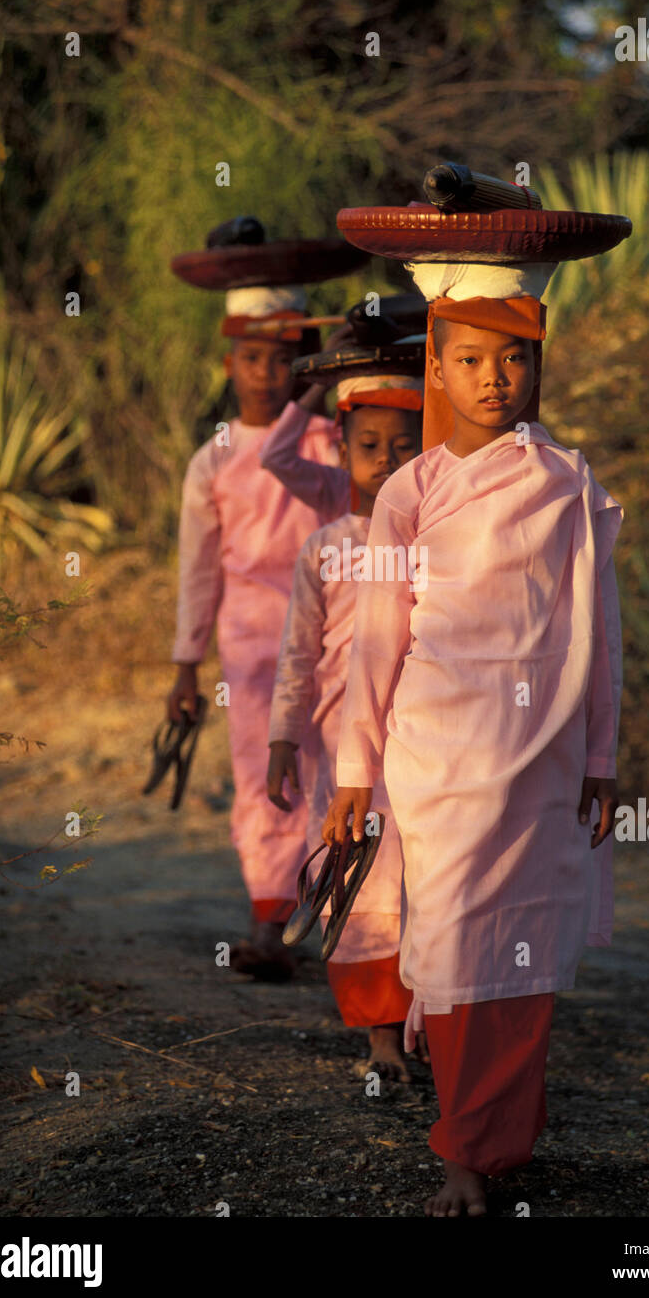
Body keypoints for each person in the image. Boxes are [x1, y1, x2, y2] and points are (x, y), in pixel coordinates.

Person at [322, 186, 629, 1214]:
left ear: (538, 363)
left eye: (514, 358)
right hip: (438, 758)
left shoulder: (570, 484)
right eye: (470, 359)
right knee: (453, 945)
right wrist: (356, 771)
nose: (493, 379)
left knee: (525, 949)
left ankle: (500, 1138)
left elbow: (599, 627)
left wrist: (600, 756)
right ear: (436, 365)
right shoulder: (412, 493)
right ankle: (464, 1144)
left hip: (540, 758)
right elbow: (376, 640)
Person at [168, 236, 357, 980]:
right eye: (253, 357)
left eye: (285, 357)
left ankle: (346, 920)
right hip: (248, 648)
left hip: (335, 635)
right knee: (263, 775)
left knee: (341, 769)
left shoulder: (331, 439)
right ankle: (272, 921)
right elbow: (197, 569)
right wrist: (186, 666)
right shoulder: (213, 457)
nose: (268, 371)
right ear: (230, 364)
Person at [264, 342, 426, 1079]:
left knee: (423, 878)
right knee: (354, 879)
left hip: (424, 742)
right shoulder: (326, 548)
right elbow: (297, 656)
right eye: (369, 447)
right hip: (339, 747)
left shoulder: (440, 544)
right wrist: (281, 740)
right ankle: (380, 1040)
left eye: (403, 446)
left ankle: (434, 1023)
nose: (386, 460)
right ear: (343, 449)